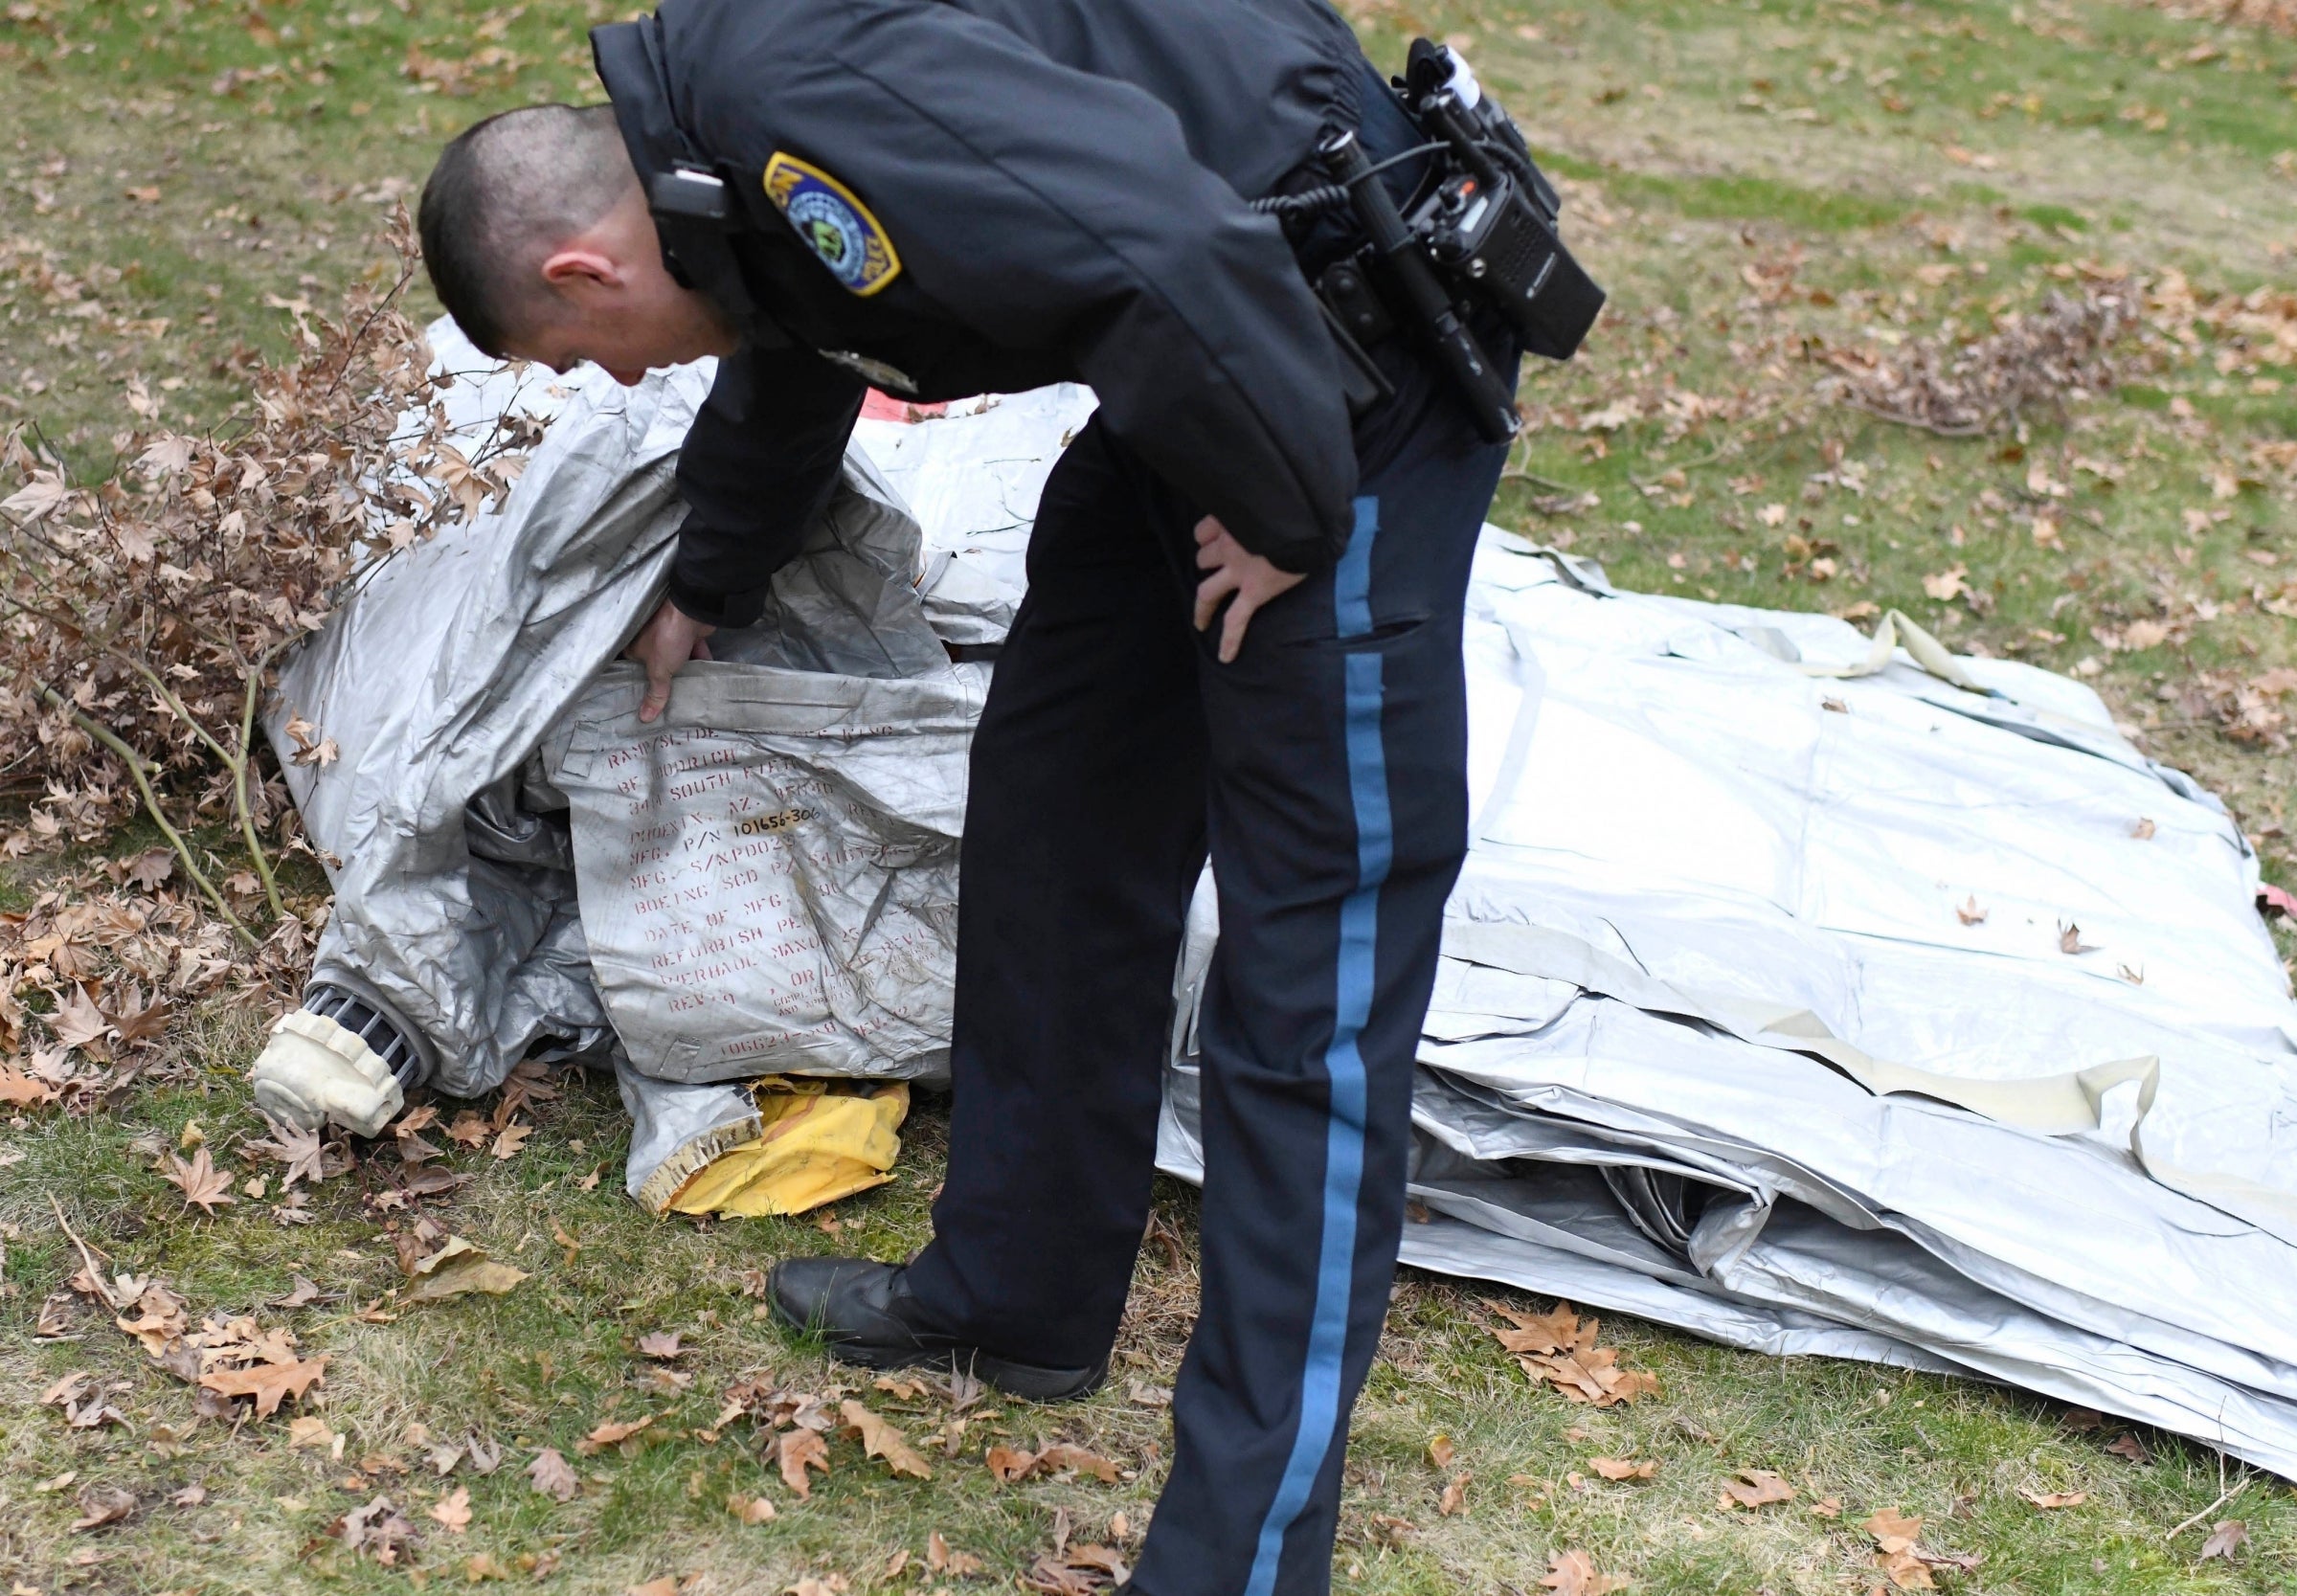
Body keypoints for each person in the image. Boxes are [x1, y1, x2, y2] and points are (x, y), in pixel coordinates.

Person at [414, 2, 1532, 1588]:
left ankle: (1243, 1560)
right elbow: (804, 319)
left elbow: (1170, 234)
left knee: (1314, 986)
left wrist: (1294, 510)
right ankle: (1015, 1293)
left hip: (1347, 379)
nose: (608, 375)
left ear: (583, 271)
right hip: (1213, 358)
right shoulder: (720, 160)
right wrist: (708, 577)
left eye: (579, 353)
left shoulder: (796, 104)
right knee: (1057, 814)